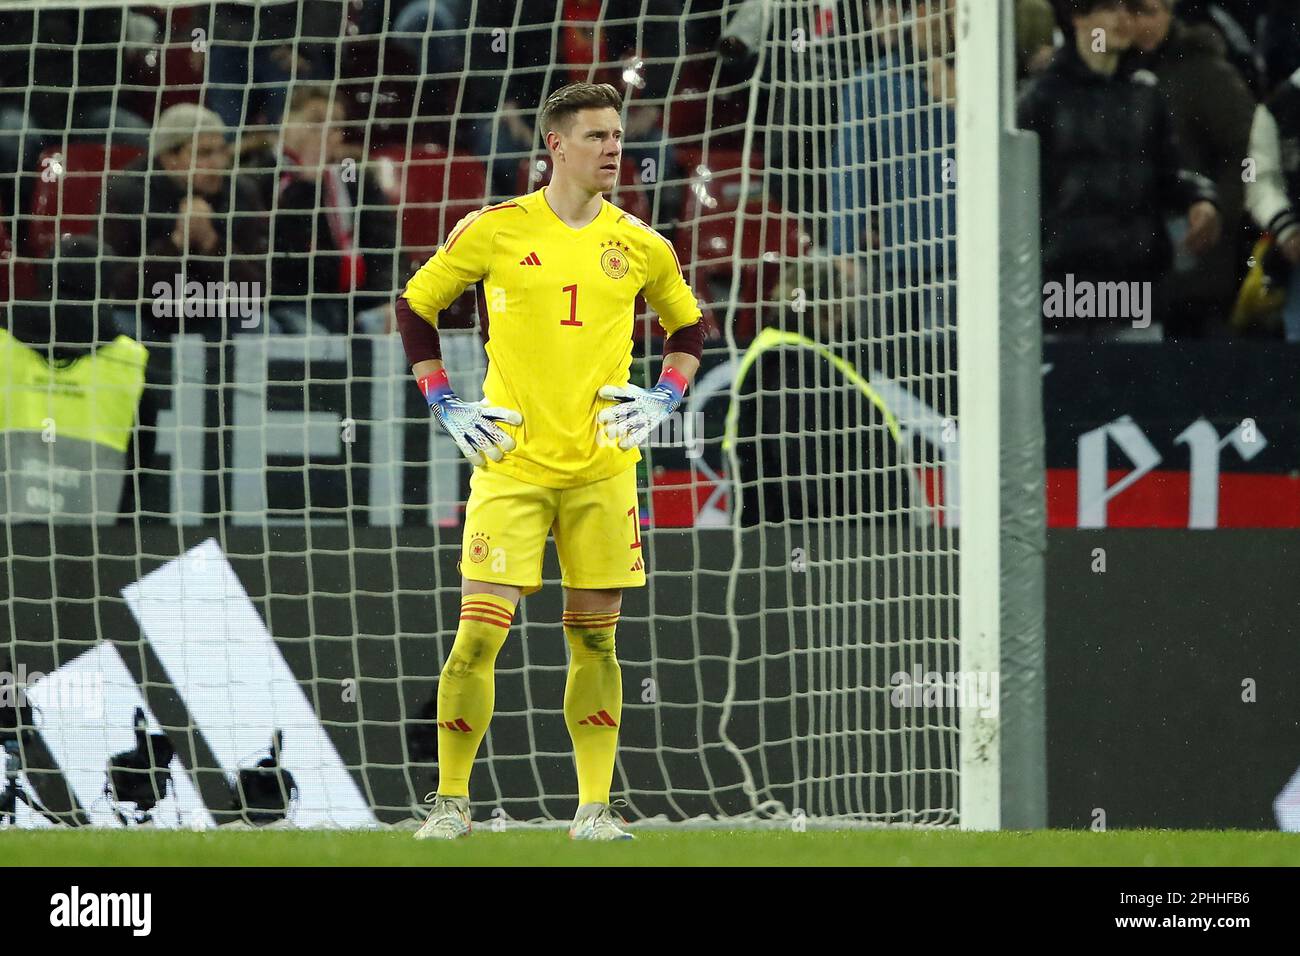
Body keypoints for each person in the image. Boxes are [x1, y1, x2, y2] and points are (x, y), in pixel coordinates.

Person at [395, 82, 704, 840]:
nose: (613, 149)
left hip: (603, 469)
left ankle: (594, 810)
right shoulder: (495, 229)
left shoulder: (640, 242)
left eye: (618, 136)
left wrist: (665, 396)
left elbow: (689, 327)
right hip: (511, 467)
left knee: (595, 639)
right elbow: (414, 305)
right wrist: (442, 399)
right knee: (477, 637)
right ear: (555, 145)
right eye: (596, 136)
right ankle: (450, 804)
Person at [1019, 0, 1219, 339]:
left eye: (1131, 9)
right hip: (1062, 283)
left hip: (1134, 282)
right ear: (1078, 17)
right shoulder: (1041, 97)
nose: (1124, 19)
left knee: (1136, 386)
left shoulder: (1146, 92)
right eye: (1110, 8)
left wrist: (1200, 199)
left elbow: (1168, 172)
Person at [1127, 0, 1255, 336]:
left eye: (1150, 13)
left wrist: (1218, 209)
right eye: (1133, 13)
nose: (1141, 25)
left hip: (1194, 258)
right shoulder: (1112, 75)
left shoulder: (1204, 72)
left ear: (1170, 15)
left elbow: (1246, 153)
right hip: (1127, 264)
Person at [103, 103, 268, 340]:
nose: (219, 164)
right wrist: (176, 244)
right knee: (122, 327)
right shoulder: (127, 193)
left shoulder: (242, 193)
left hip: (215, 311)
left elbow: (258, 289)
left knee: (260, 326)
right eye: (204, 153)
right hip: (149, 314)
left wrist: (211, 244)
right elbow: (117, 289)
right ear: (168, 157)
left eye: (221, 151)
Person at [243, 84, 397, 334]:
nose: (326, 132)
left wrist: (385, 301)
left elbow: (385, 246)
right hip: (287, 305)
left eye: (335, 125)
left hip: (353, 306)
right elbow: (280, 262)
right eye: (315, 122)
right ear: (285, 123)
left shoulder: (354, 178)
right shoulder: (256, 177)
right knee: (314, 338)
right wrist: (307, 186)